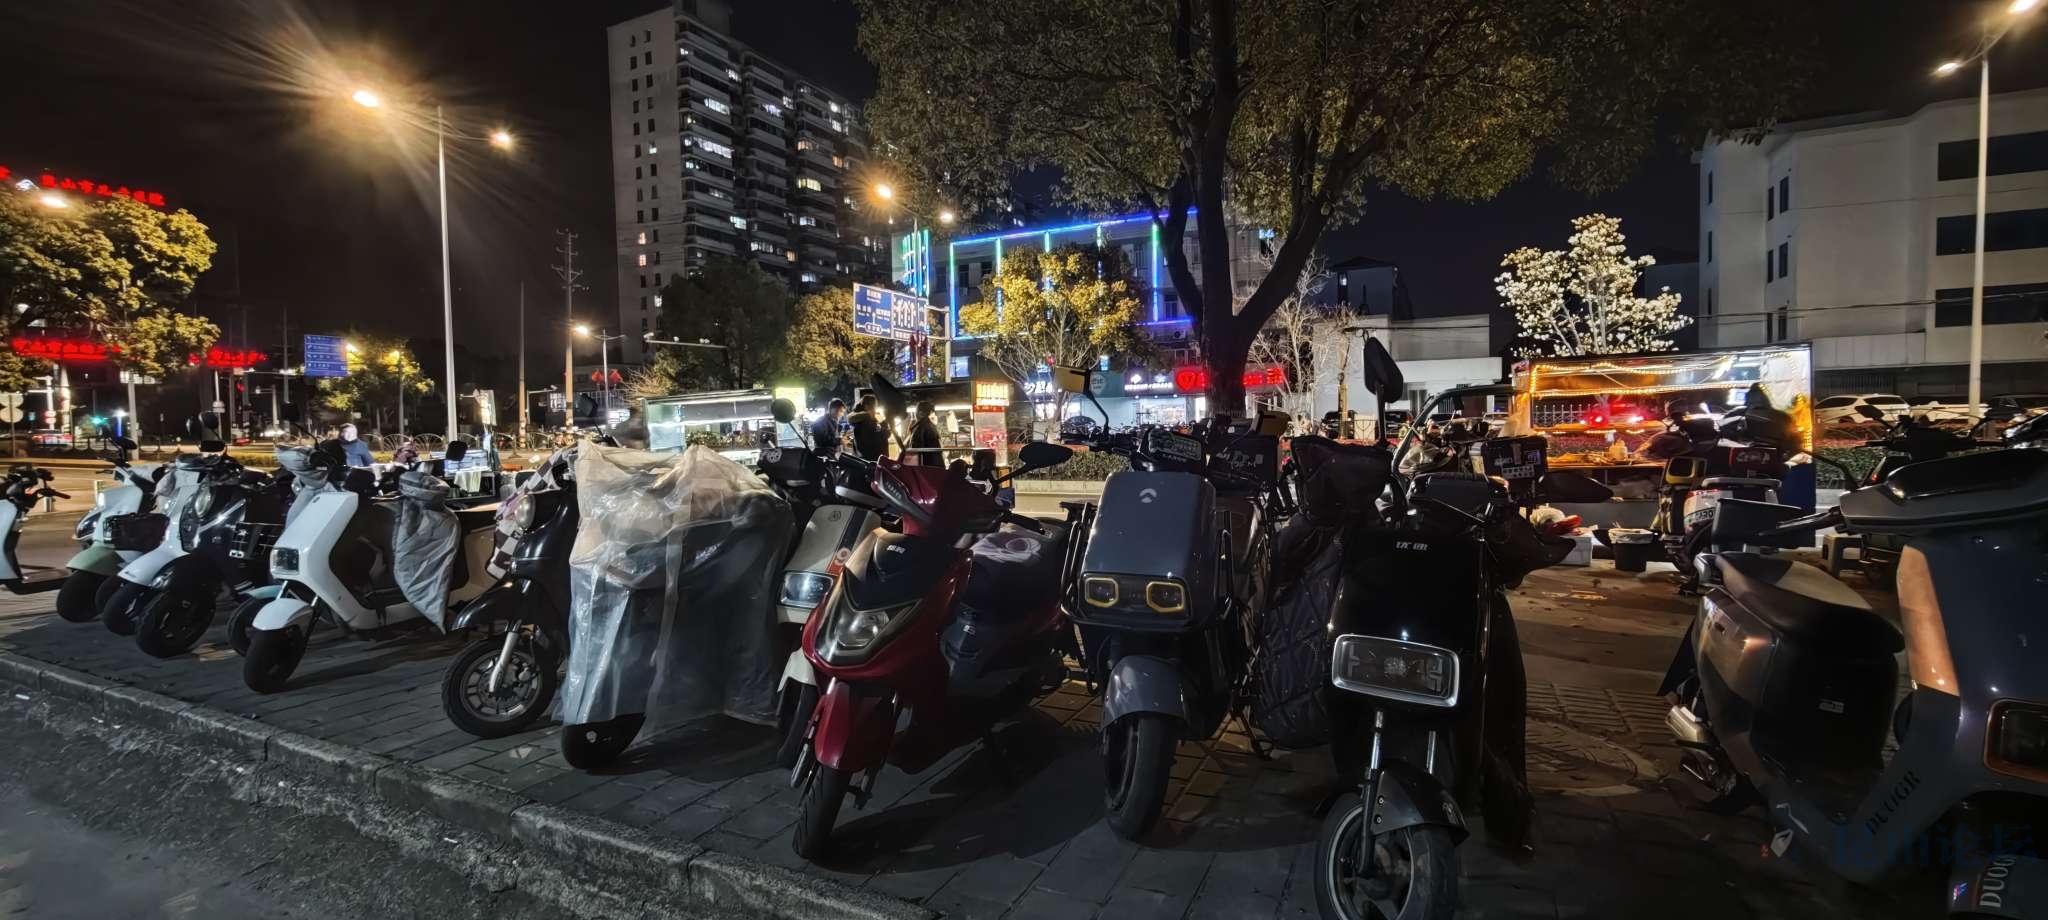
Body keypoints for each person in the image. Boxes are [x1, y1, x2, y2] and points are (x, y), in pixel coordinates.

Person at [847, 395, 888, 461]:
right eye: (875, 406)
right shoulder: (866, 421)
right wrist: (885, 429)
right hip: (872, 461)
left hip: (862, 460)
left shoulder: (859, 420)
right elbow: (873, 441)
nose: (875, 410)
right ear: (866, 406)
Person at [906, 400, 943, 465]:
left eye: (916, 412)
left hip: (925, 466)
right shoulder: (931, 426)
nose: (915, 414)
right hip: (935, 465)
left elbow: (915, 451)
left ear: (920, 413)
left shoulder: (921, 428)